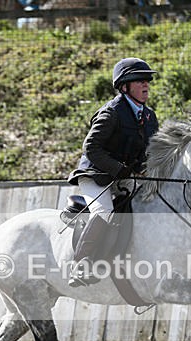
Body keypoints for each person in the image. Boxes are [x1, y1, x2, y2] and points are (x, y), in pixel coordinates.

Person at [66, 57, 159, 287]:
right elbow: (91, 148)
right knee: (104, 209)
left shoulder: (149, 117)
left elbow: (149, 151)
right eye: (139, 81)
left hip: (124, 176)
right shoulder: (111, 112)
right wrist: (118, 169)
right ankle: (81, 264)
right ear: (124, 86)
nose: (145, 85)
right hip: (96, 174)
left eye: (147, 80)